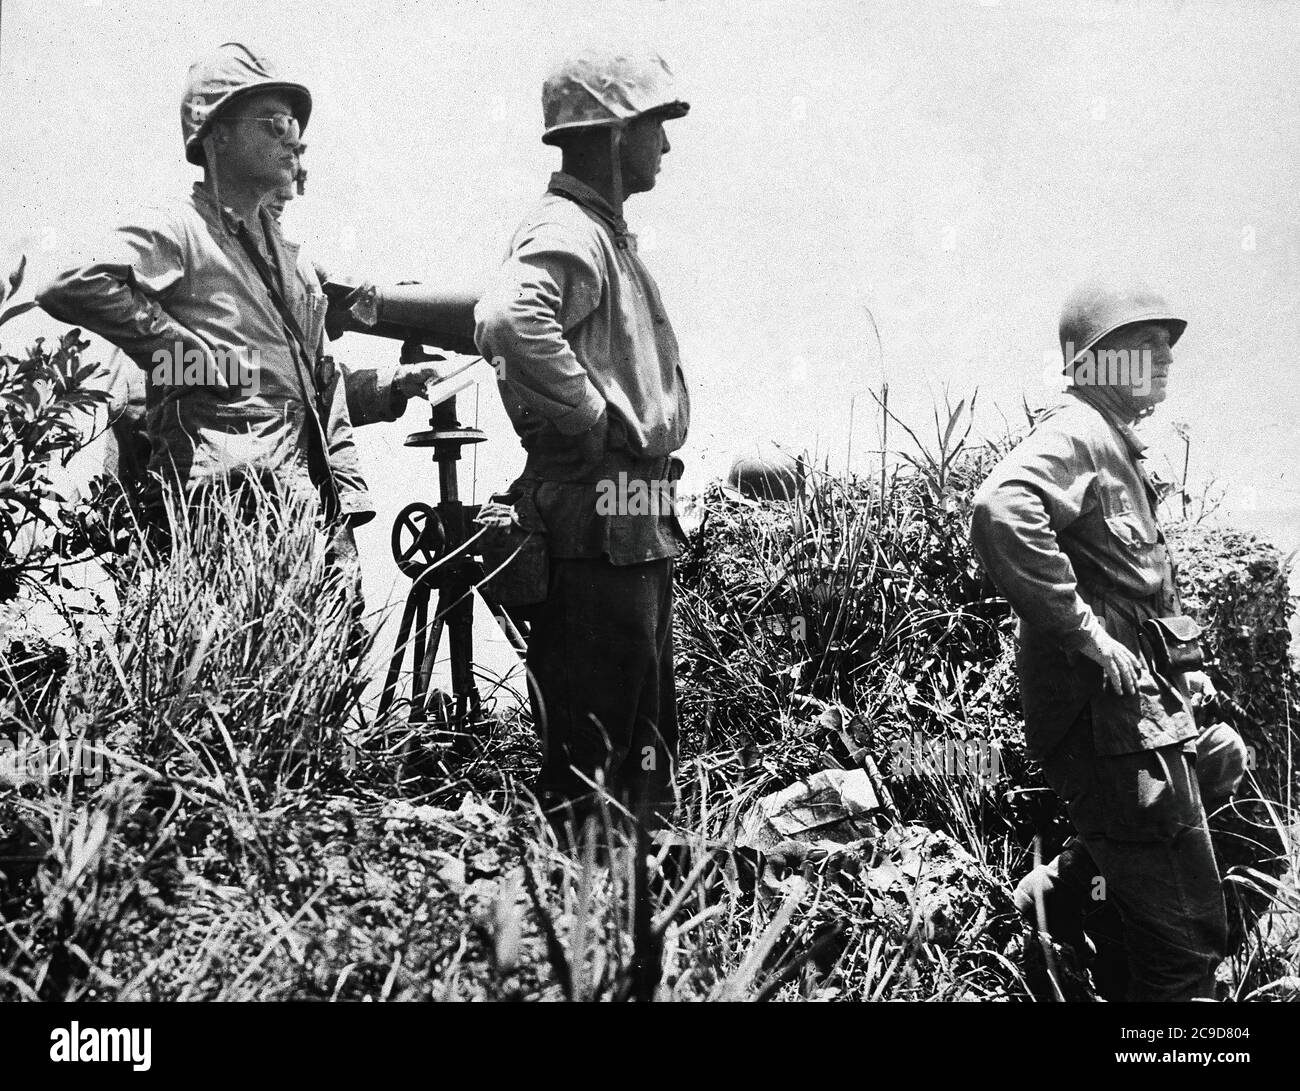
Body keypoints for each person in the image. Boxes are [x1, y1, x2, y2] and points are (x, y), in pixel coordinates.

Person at [970, 278, 1232, 1001]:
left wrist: (1186, 661)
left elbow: (1142, 580)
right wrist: (1087, 637)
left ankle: (1059, 891)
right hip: (1106, 722)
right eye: (1148, 347)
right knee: (1185, 936)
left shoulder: (1117, 447)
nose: (1166, 361)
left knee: (1219, 761)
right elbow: (1000, 507)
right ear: (1101, 361)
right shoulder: (1078, 432)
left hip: (1139, 716)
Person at [36, 42, 371, 563]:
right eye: (274, 124)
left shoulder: (294, 263)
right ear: (216, 134)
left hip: (309, 508)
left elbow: (314, 386)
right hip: (226, 512)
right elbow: (69, 280)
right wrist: (184, 352)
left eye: (295, 127)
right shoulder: (182, 229)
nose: (292, 140)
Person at [474, 47, 691, 828]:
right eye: (654, 126)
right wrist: (592, 418)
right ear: (612, 132)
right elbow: (507, 319)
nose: (664, 146)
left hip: (631, 525)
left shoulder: (600, 233)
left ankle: (634, 923)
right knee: (595, 772)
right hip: (599, 525)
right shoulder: (568, 230)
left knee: (643, 763)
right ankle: (583, 924)